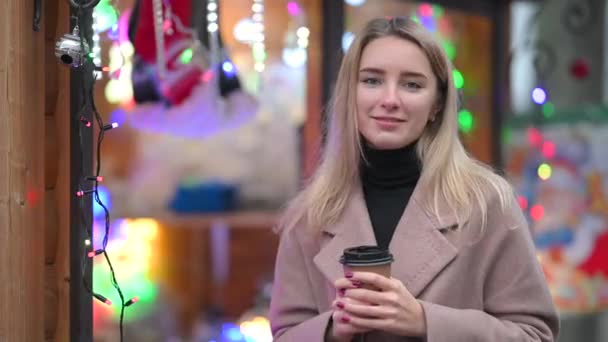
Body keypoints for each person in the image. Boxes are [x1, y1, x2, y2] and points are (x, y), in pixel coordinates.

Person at [269, 16, 559, 342]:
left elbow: (535, 335)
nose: (390, 99)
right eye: (372, 80)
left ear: (437, 104)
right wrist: (333, 330)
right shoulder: (309, 216)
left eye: (413, 84)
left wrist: (425, 321)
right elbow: (285, 335)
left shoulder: (487, 203)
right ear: (350, 93)